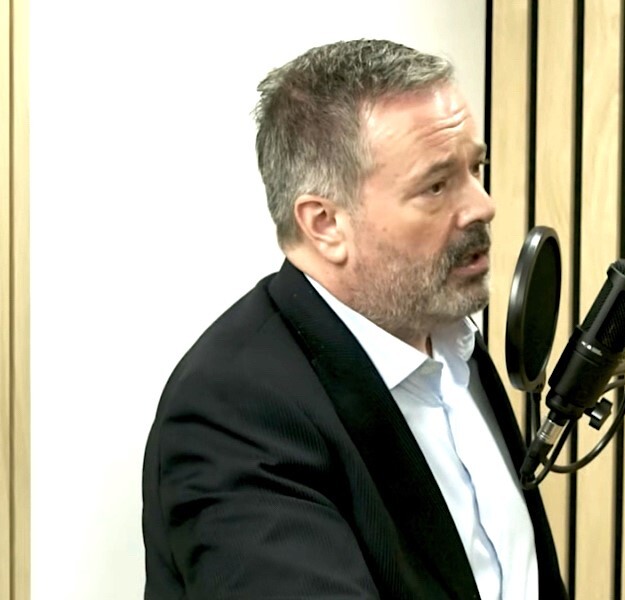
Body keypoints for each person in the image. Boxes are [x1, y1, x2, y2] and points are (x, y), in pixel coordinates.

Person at [142, 39, 567, 599]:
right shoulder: (233, 412)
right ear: (325, 224)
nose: (482, 205)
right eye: (436, 185)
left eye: (476, 168)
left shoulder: (452, 338)